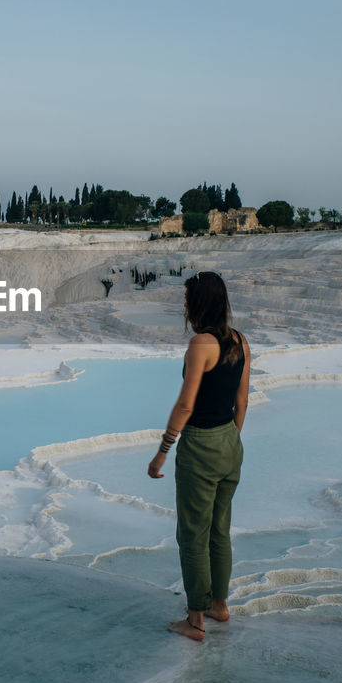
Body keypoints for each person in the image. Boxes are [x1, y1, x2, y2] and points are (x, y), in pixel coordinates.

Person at [148, 270, 250, 641]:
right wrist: (230, 440)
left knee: (193, 534)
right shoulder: (239, 341)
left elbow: (186, 404)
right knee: (219, 531)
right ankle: (219, 606)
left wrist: (162, 452)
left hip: (201, 445)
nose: (185, 307)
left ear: (198, 305)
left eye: (188, 300)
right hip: (229, 445)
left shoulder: (199, 345)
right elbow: (241, 399)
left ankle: (194, 620)